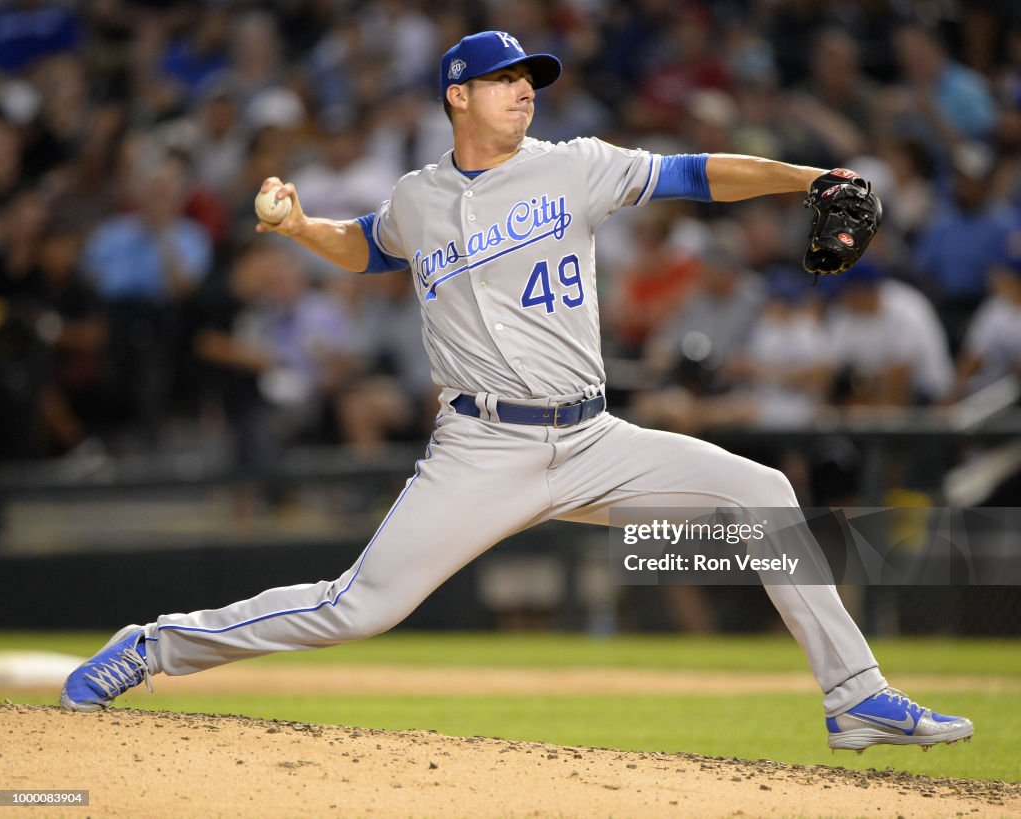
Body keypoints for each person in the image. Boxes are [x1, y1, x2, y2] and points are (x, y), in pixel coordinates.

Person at [61, 30, 972, 753]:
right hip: (481, 449)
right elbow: (369, 244)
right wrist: (302, 226)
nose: (524, 89)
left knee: (763, 493)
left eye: (530, 78)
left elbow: (698, 173)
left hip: (593, 440)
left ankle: (854, 697)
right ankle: (152, 645)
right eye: (503, 79)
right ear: (458, 95)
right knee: (357, 607)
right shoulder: (418, 197)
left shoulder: (574, 164)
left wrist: (810, 177)